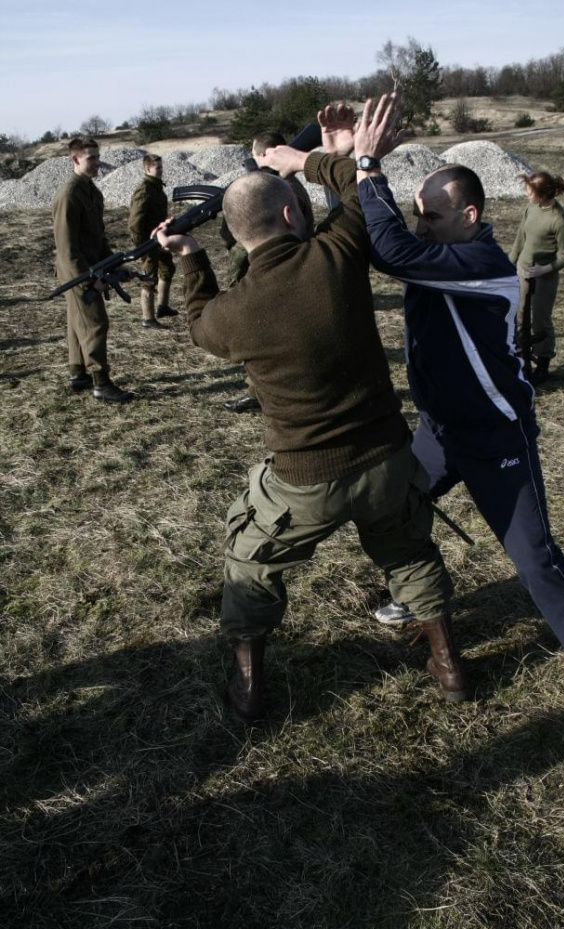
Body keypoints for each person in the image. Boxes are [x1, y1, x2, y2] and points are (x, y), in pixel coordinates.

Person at [155, 103, 462, 721]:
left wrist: (189, 257)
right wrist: (315, 159)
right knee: (407, 550)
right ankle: (449, 664)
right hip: (386, 459)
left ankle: (248, 685)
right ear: (293, 212)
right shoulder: (337, 253)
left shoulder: (230, 317)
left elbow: (197, 323)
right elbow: (359, 192)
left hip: (304, 480)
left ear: (237, 236)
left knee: (248, 560)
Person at [346, 95, 564, 705]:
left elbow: (391, 251)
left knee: (533, 557)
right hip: (439, 431)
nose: (422, 230)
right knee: (398, 509)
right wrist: (337, 160)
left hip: (496, 437)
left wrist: (368, 167)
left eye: (432, 221)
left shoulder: (481, 262)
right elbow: (383, 240)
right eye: (419, 221)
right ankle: (412, 594)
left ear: (468, 215)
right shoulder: (443, 252)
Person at [220, 130, 315, 414]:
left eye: (254, 154)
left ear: (265, 155)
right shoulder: (286, 185)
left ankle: (262, 394)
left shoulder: (276, 188)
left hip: (276, 269)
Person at [52, 136, 133, 402]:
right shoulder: (69, 194)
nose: (98, 163)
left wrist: (114, 261)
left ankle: (78, 373)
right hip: (77, 272)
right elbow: (66, 247)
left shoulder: (91, 190)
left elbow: (98, 236)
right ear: (75, 160)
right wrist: (87, 282)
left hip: (90, 267)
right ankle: (101, 382)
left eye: (98, 156)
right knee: (95, 323)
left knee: (77, 323)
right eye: (92, 158)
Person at [510, 171, 564, 386]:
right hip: (522, 272)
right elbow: (521, 236)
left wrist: (543, 270)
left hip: (544, 277)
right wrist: (511, 262)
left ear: (542, 193)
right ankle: (521, 360)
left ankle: (543, 364)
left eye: (530, 191)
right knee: (518, 317)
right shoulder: (531, 208)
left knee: (540, 321)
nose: (527, 195)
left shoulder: (558, 220)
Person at [128, 153, 178, 329]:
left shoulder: (156, 187)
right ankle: (148, 318)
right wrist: (141, 246)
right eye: (157, 168)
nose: (161, 171)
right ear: (147, 168)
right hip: (148, 242)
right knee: (149, 278)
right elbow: (135, 222)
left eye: (162, 167)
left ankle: (162, 307)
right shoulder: (144, 190)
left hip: (159, 238)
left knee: (168, 269)